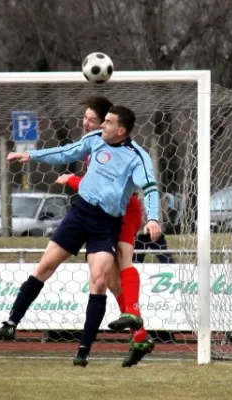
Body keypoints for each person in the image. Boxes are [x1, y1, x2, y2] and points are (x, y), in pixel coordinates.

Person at [0, 105, 161, 367]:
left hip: (107, 223)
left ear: (121, 129)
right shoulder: (94, 140)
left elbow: (150, 188)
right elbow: (66, 151)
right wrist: (32, 155)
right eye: (97, 120)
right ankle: (11, 322)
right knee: (46, 265)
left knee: (99, 281)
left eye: (103, 121)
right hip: (79, 215)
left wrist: (153, 217)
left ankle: (84, 350)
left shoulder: (137, 156)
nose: (97, 126)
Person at [55, 96, 154, 367]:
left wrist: (72, 179)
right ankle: (141, 336)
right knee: (110, 281)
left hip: (123, 211)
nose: (86, 123)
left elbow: (108, 187)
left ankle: (135, 320)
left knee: (123, 260)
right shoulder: (93, 144)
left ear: (106, 125)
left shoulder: (113, 145)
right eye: (85, 118)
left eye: (92, 120)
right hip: (100, 216)